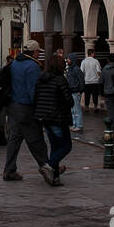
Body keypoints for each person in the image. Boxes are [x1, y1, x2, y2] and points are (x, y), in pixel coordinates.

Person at [0, 39, 50, 182]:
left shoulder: (15, 63)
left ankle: (9, 170)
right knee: (36, 140)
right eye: (37, 52)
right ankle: (48, 168)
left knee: (14, 140)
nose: (38, 55)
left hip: (13, 106)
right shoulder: (32, 66)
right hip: (26, 107)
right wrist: (39, 109)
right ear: (34, 52)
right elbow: (32, 91)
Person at [34, 51, 74, 186]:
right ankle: (49, 166)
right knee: (66, 146)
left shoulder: (41, 78)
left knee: (55, 147)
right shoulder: (60, 79)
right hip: (58, 117)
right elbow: (69, 101)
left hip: (44, 117)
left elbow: (37, 96)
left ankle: (54, 178)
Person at [63, 52, 85, 132]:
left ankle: (79, 125)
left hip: (75, 91)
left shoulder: (76, 69)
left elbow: (81, 80)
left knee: (76, 109)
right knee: (72, 110)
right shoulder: (70, 69)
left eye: (68, 59)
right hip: (71, 91)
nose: (67, 60)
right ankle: (74, 124)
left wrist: (80, 90)